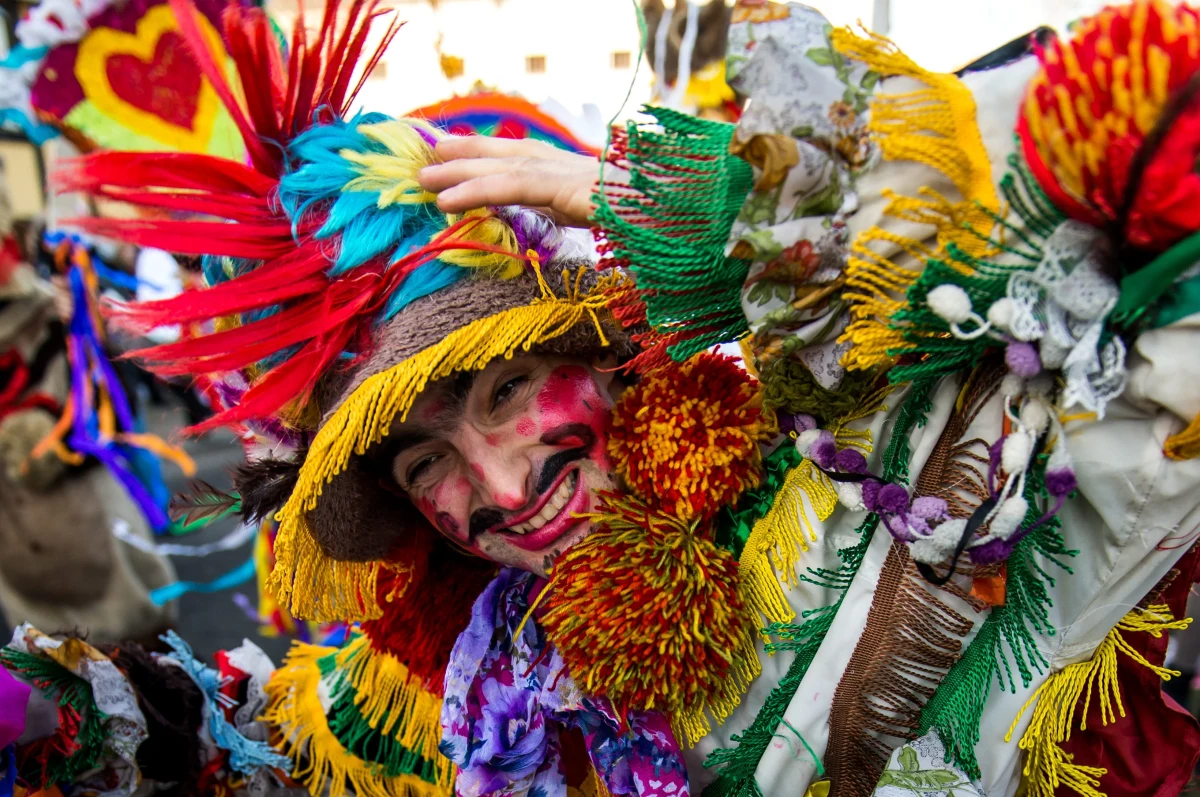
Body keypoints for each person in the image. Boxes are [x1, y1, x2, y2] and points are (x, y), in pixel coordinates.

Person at [53, 2, 1200, 797]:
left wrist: (699, 211)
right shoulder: (484, 681)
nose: (502, 488)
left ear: (609, 355)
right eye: (422, 465)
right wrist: (73, 704)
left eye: (504, 387)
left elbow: (1156, 171)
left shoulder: (890, 487)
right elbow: (269, 753)